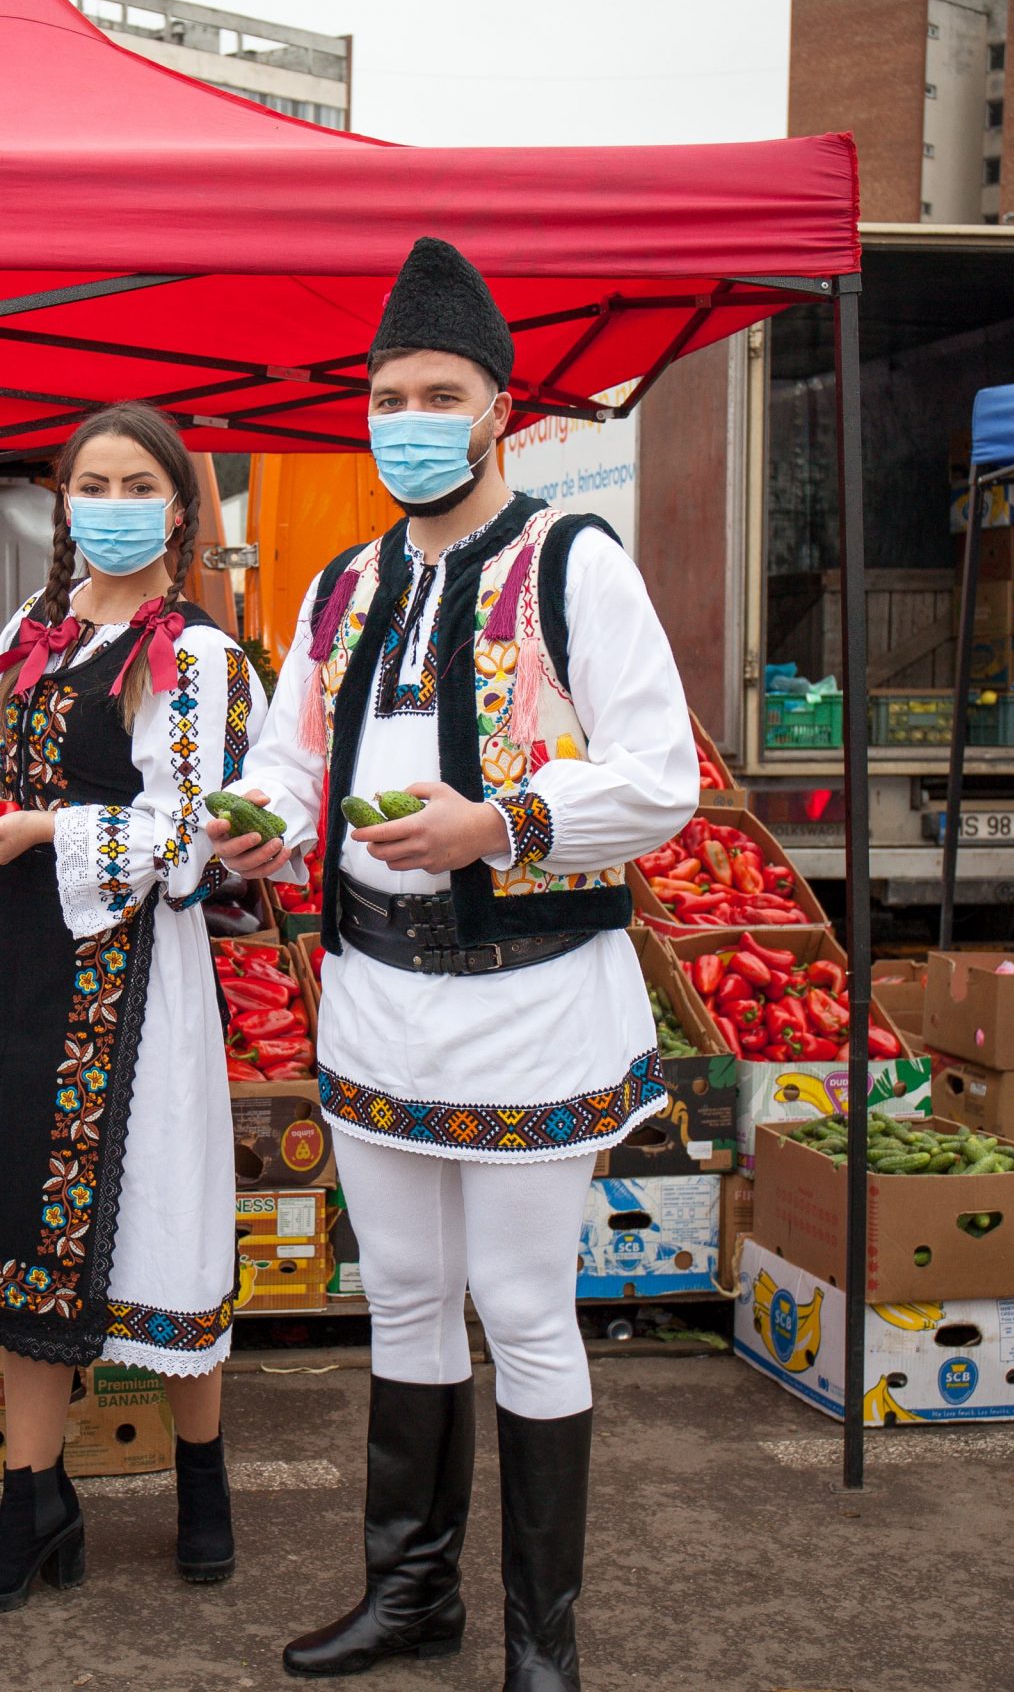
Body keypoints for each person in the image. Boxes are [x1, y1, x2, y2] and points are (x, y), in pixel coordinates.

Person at [209, 238, 695, 1690]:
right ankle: (410, 1594)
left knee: (527, 1304)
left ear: (499, 405)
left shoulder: (572, 563)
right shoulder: (342, 587)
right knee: (408, 1293)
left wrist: (503, 821)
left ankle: (545, 1641)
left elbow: (661, 773)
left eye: (437, 391)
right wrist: (258, 824)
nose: (404, 416)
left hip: (532, 997)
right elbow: (292, 757)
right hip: (375, 995)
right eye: (385, 393)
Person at [0, 401, 268, 1613]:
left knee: (163, 1221)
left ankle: (202, 1477)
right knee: (17, 1217)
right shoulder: (34, 625)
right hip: (13, 960)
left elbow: (198, 832)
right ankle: (33, 1499)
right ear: (62, 503)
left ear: (178, 505)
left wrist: (47, 827)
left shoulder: (201, 658)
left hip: (130, 977)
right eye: (88, 483)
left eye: (134, 483)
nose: (108, 504)